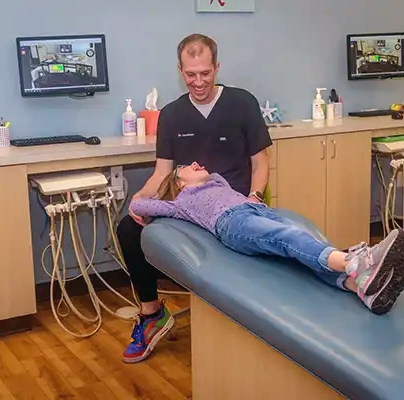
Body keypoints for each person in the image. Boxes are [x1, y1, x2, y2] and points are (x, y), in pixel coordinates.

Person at [116, 33, 272, 364]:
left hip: (231, 208)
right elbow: (162, 173)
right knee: (129, 229)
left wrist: (255, 197)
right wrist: (138, 199)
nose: (198, 82)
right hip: (186, 208)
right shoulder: (172, 115)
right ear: (180, 70)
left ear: (217, 67)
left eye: (205, 73)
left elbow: (261, 162)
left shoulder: (242, 103)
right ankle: (151, 314)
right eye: (190, 74)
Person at [130, 162, 404, 317]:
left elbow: (218, 178)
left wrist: (200, 175)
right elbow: (147, 205)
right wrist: (136, 202)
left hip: (256, 210)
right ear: (178, 185)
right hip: (232, 222)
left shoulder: (215, 184)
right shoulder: (181, 200)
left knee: (300, 245)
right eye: (186, 167)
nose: (194, 163)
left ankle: (358, 286)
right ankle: (355, 263)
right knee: (288, 238)